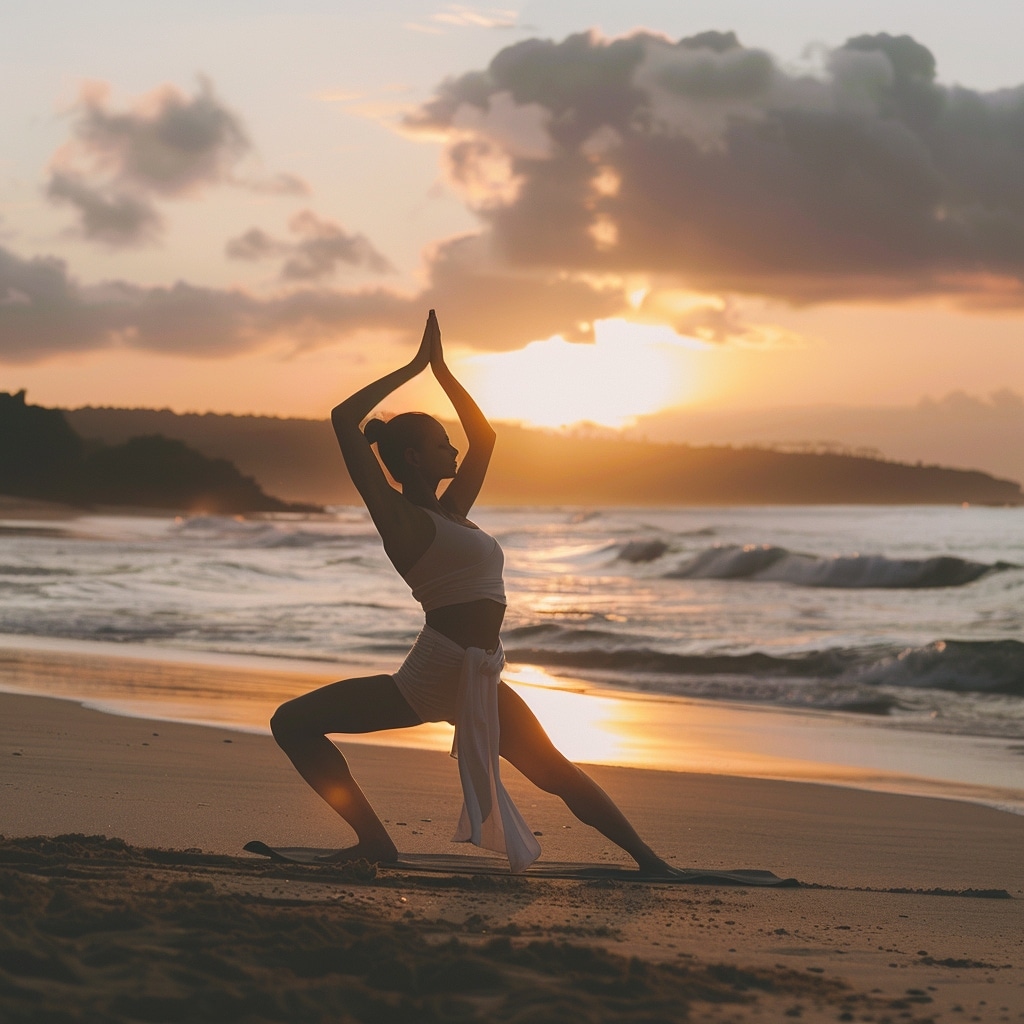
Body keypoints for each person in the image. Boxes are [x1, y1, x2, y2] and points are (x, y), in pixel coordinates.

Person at [271, 310, 670, 874]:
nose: (454, 452)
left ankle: (651, 862)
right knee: (291, 722)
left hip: (478, 670)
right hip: (439, 669)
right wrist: (413, 367)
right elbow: (343, 419)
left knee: (552, 770)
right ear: (412, 459)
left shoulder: (453, 511)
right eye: (441, 445)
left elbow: (485, 437)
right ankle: (373, 840)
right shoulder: (400, 517)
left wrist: (443, 371)